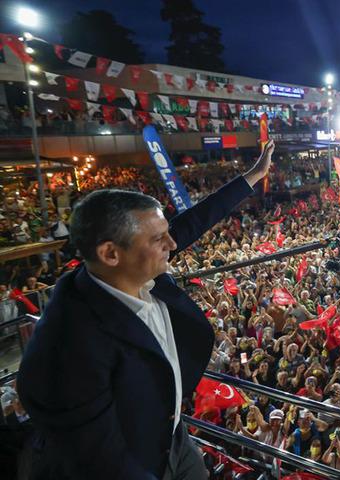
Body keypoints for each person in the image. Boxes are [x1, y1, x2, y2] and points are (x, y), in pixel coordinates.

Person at [16, 141, 275, 479]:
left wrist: (253, 176)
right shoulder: (69, 343)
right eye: (158, 239)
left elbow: (196, 220)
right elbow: (100, 458)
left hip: (173, 436)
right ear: (111, 253)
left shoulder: (132, 268)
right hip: (138, 459)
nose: (172, 244)